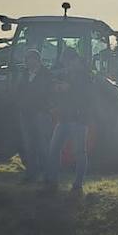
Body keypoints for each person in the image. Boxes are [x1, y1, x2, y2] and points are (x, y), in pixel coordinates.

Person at [44, 47, 91, 195]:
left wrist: (68, 88)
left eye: (66, 61)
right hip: (64, 118)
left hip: (79, 119)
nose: (64, 64)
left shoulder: (85, 75)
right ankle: (52, 181)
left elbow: (85, 96)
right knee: (53, 150)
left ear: (73, 60)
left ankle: (77, 185)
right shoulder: (66, 74)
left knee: (79, 152)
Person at [15, 49, 53, 182]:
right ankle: (31, 174)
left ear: (38, 60)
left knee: (43, 145)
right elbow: (19, 91)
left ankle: (47, 175)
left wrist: (43, 107)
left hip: (41, 113)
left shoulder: (46, 75)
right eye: (27, 60)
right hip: (26, 113)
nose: (29, 62)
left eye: (32, 59)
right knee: (29, 145)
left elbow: (47, 93)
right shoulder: (24, 74)